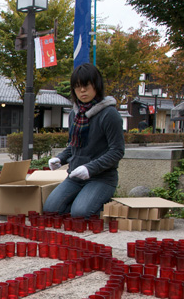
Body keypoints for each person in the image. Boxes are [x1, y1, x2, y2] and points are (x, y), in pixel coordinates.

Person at [43, 63, 125, 218]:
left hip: (101, 178)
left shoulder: (109, 114)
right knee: (50, 209)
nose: (82, 90)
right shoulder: (75, 114)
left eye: (86, 85)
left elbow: (117, 151)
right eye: (77, 86)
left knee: (80, 213)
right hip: (75, 177)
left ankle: (105, 207)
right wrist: (60, 158)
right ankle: (82, 201)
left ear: (96, 85)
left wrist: (90, 168)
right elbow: (73, 146)